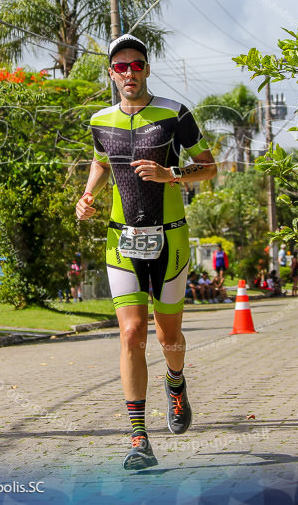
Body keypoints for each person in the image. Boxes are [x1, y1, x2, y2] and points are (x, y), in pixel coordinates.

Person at [75, 34, 216, 470]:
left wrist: (169, 173)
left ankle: (176, 384)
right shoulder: (100, 120)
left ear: (147, 70)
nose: (129, 72)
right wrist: (87, 194)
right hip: (122, 239)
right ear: (112, 74)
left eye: (137, 65)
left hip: (169, 238)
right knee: (132, 333)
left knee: (168, 337)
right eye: (121, 67)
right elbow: (102, 159)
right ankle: (139, 439)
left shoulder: (174, 114)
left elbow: (209, 166)